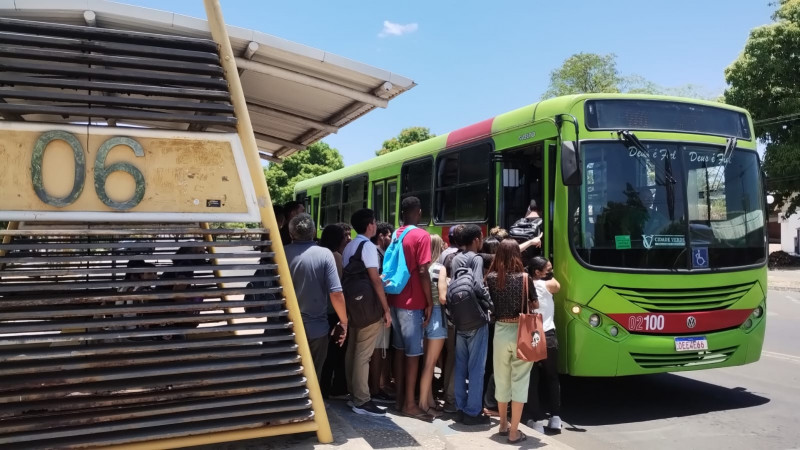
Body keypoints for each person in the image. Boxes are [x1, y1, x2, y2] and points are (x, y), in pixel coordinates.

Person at [487, 239, 539, 444]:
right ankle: (514, 431)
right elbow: (534, 303)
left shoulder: (491, 278)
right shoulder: (525, 278)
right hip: (522, 331)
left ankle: (502, 424)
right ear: (517, 255)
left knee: (501, 378)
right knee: (520, 380)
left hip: (500, 330)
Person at [284, 213, 347, 381]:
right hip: (316, 330)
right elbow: (336, 293)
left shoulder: (281, 253)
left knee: (289, 377)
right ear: (313, 233)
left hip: (286, 328)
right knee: (312, 380)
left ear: (291, 234)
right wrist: (344, 321)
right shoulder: (325, 255)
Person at [342, 208, 392, 417]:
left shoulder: (349, 246)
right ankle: (362, 400)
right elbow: (374, 279)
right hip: (368, 307)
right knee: (364, 354)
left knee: (353, 351)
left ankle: (354, 394)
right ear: (370, 224)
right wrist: (386, 309)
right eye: (374, 222)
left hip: (352, 304)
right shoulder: (368, 247)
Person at [388, 196, 434, 422]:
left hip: (394, 299)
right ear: (419, 212)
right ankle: (409, 404)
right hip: (412, 302)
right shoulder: (421, 235)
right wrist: (429, 301)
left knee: (398, 350)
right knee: (413, 353)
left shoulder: (397, 234)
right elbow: (423, 271)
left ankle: (398, 399)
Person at [449, 224, 493, 425]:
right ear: (476, 239)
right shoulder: (476, 258)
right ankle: (473, 412)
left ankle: (460, 407)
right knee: (476, 368)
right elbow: (476, 285)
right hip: (476, 319)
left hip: (459, 319)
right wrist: (490, 303)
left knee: (461, 365)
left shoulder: (456, 258)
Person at [525, 256, 563, 434]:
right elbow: (557, 285)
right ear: (538, 272)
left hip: (531, 332)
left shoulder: (526, 285)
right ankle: (556, 417)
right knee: (552, 377)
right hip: (548, 334)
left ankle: (537, 420)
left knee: (533, 378)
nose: (550, 271)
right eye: (548, 269)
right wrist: (549, 276)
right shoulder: (548, 285)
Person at [318, 223, 349, 400]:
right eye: (344, 237)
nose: (347, 239)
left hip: (319, 309)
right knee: (333, 352)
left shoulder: (319, 253)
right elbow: (338, 288)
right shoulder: (335, 257)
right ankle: (329, 389)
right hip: (333, 311)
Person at [419, 234, 447, 418]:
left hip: (422, 315)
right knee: (431, 364)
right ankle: (423, 403)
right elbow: (443, 298)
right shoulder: (440, 268)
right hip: (437, 315)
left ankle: (428, 400)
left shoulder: (422, 268)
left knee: (425, 363)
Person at [369, 221, 395, 403]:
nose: (391, 240)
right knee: (379, 349)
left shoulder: (379, 253)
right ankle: (375, 388)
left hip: (377, 306)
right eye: (389, 236)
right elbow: (377, 281)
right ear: (381, 235)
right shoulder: (377, 254)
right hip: (379, 307)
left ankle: (379, 385)